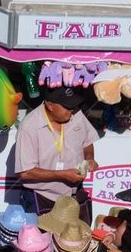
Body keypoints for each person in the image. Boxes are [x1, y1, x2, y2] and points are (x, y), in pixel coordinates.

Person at [14, 86, 99, 225]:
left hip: (74, 196)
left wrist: (89, 158)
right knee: (42, 243)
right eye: (66, 106)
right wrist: (62, 175)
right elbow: (25, 173)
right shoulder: (29, 126)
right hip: (42, 198)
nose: (71, 109)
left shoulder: (76, 113)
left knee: (76, 243)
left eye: (73, 104)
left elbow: (87, 141)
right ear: (50, 105)